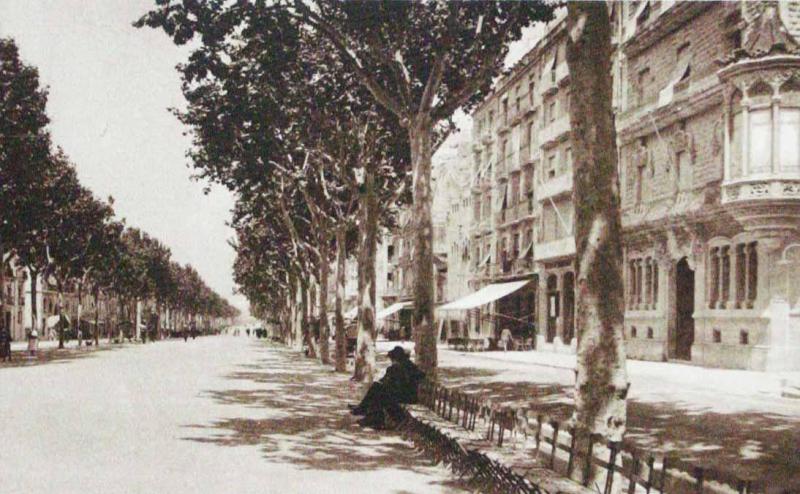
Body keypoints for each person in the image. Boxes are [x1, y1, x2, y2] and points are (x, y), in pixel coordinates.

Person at [349, 346, 425, 429]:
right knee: (377, 389)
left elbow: (391, 383)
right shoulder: (405, 365)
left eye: (392, 359)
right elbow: (388, 382)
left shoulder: (400, 367)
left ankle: (369, 414)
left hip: (405, 397)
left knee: (378, 391)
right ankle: (369, 415)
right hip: (404, 395)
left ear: (396, 358)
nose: (391, 361)